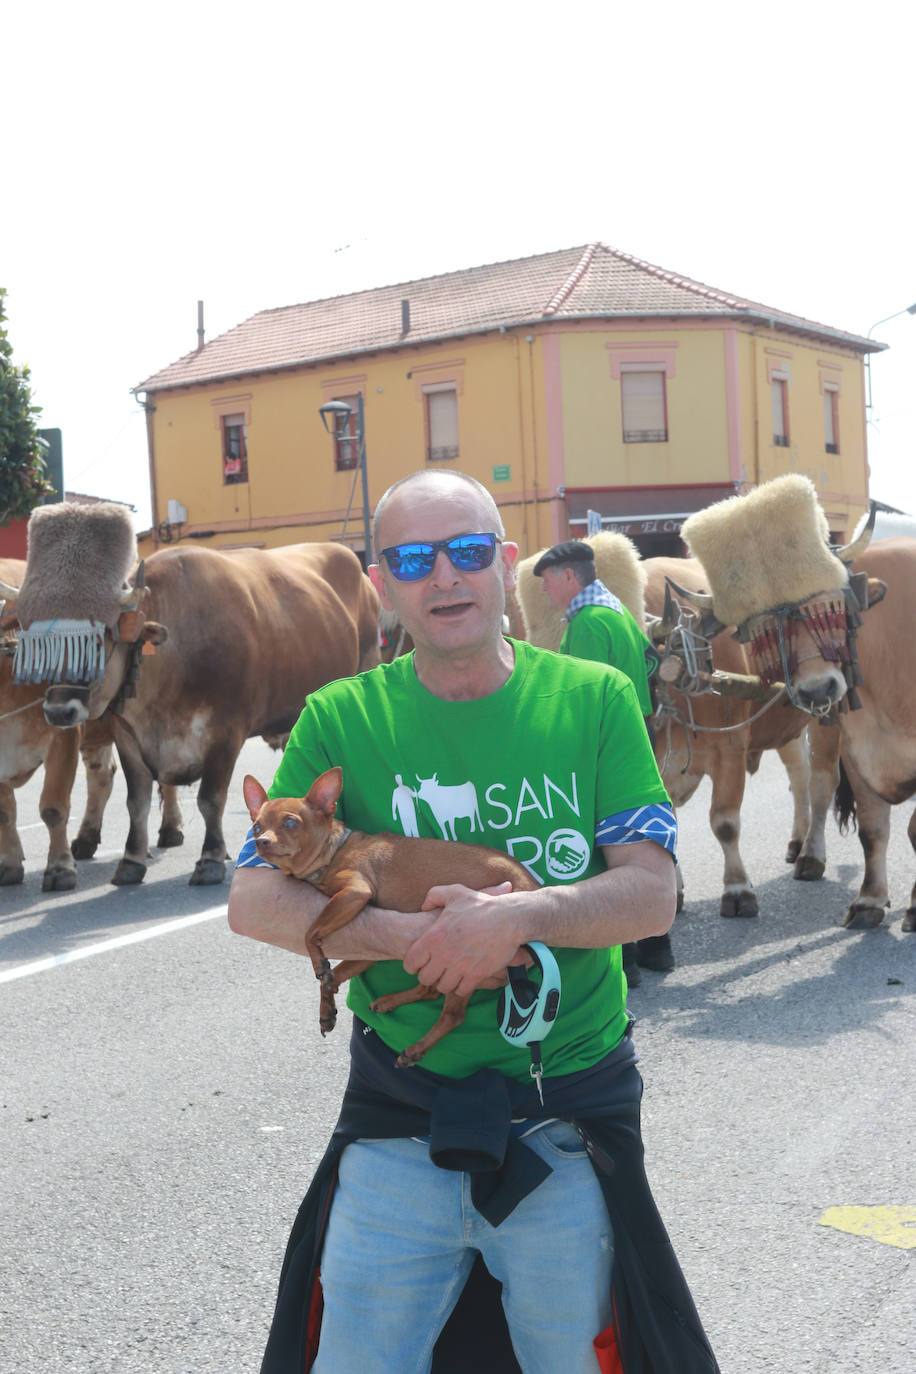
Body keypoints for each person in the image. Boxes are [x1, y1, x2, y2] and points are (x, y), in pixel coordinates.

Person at [227, 469, 719, 1374]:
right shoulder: (341, 716)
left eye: (464, 551)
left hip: (563, 1123)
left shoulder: (593, 698)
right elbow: (253, 898)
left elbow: (654, 894)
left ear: (505, 563)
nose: (443, 576)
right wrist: (407, 938)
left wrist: (517, 920)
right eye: (414, 558)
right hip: (396, 1125)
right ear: (383, 581)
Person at [533, 539, 674, 981]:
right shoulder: (618, 614)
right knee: (641, 837)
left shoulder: (589, 623)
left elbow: (582, 699)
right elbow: (651, 665)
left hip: (602, 744)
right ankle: (657, 950)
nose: (544, 591)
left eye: (548, 581)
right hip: (638, 735)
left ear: (569, 577)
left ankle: (626, 961)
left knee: (604, 846)